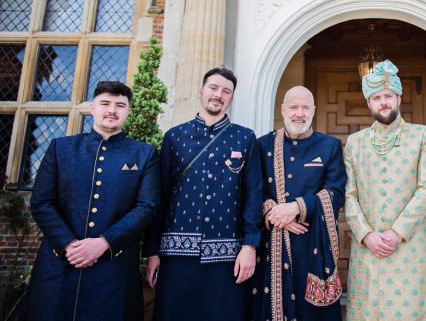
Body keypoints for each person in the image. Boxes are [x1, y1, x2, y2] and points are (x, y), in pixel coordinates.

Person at [25, 81, 159, 321]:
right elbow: (41, 202)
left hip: (113, 267)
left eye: (120, 105)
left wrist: (103, 243)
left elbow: (146, 206)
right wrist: (68, 244)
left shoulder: (143, 153)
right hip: (60, 262)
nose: (112, 110)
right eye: (105, 103)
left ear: (128, 111)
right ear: (92, 107)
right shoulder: (61, 148)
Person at [144, 67, 262, 321]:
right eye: (214, 88)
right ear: (201, 91)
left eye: (226, 91)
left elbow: (254, 195)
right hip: (176, 255)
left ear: (231, 98)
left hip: (228, 255)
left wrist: (250, 246)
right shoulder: (174, 137)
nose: (219, 95)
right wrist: (152, 252)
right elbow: (160, 197)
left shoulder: (245, 138)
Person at [343, 60, 426, 321]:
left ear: (398, 97)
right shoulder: (355, 143)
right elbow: (348, 195)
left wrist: (398, 233)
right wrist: (365, 234)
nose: (383, 102)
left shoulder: (422, 135)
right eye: (376, 98)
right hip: (368, 247)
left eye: (388, 96)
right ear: (368, 103)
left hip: (408, 246)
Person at [255, 86, 347, 321]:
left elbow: (336, 193)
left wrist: (296, 207)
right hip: (272, 246)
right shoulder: (263, 145)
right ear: (283, 109)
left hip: (312, 246)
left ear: (314, 111)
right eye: (294, 107)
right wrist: (277, 217)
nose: (299, 113)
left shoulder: (330, 146)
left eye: (305, 107)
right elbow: (254, 192)